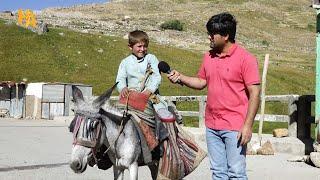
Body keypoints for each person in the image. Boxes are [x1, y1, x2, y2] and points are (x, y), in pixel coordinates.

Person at [167, 12, 261, 179]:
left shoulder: (246, 59)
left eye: (212, 34)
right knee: (218, 173)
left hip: (235, 127)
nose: (209, 38)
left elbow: (255, 94)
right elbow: (201, 82)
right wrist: (180, 77)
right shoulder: (208, 57)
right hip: (212, 126)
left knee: (237, 173)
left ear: (225, 35)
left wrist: (248, 125)